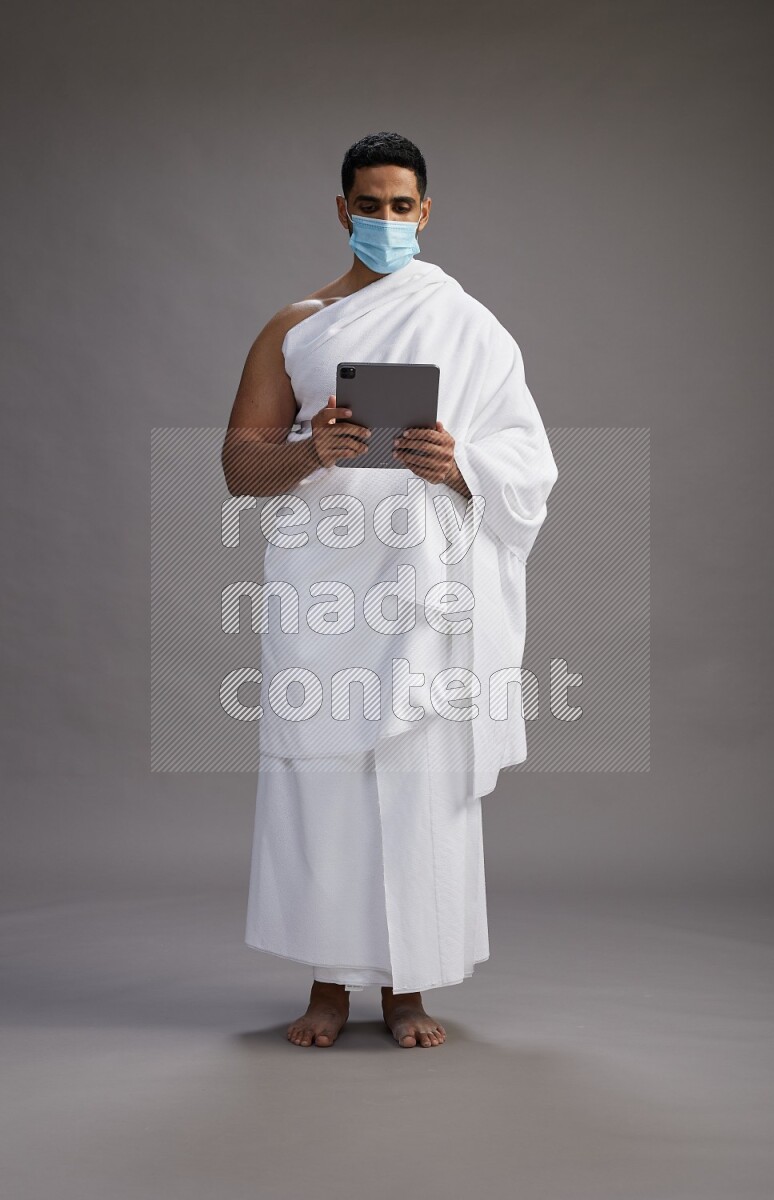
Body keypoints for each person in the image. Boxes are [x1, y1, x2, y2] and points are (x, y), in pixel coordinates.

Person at [222, 131, 558, 1048]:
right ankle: (328, 988)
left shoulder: (470, 324)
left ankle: (408, 990)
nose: (383, 221)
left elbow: (530, 461)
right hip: (326, 591)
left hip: (427, 596)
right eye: (367, 205)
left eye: (399, 205)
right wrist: (308, 452)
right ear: (341, 210)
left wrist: (460, 466)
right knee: (322, 781)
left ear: (426, 211)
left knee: (417, 777)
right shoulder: (294, 327)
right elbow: (240, 468)